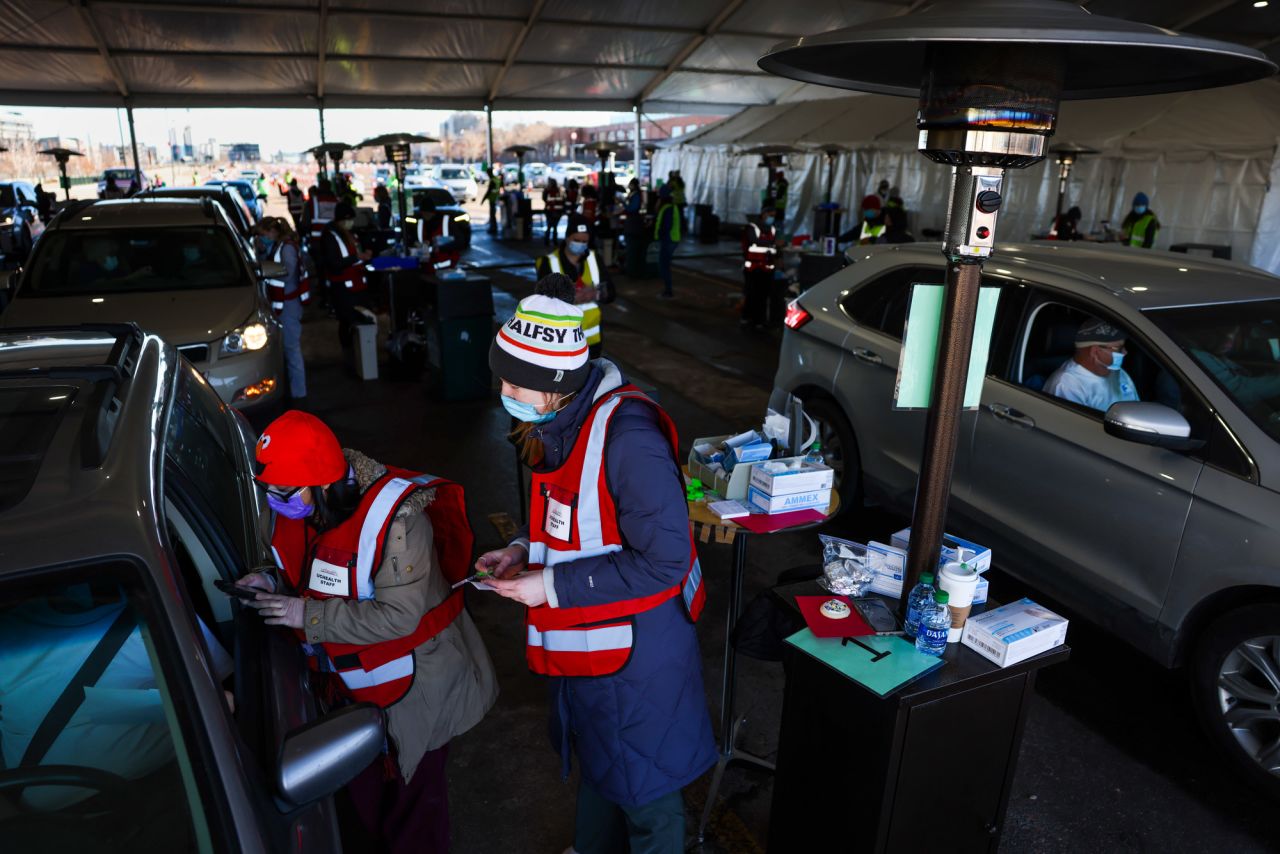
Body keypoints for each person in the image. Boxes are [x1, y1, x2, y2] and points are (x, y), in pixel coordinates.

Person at [479, 276, 714, 854]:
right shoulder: (562, 423)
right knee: (604, 766)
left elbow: (665, 560)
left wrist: (549, 585)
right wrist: (523, 552)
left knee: (646, 793)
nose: (505, 390)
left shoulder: (628, 438)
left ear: (557, 385)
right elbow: (577, 518)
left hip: (635, 659)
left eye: (517, 381)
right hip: (593, 650)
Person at [240, 411, 497, 854]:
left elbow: (398, 617)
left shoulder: (396, 522)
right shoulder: (292, 507)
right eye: (267, 492)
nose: (274, 503)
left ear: (325, 486)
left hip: (416, 692)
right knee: (363, 815)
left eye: (282, 493)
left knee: (414, 820)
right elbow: (298, 566)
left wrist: (306, 616)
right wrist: (268, 580)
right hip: (348, 691)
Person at [536, 223, 610, 358]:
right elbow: (540, 301)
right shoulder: (549, 262)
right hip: (560, 340)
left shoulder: (594, 258)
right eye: (577, 240)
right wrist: (572, 297)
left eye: (584, 241)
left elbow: (610, 293)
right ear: (567, 238)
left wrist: (596, 293)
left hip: (592, 341)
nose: (581, 244)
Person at [258, 217, 309, 402]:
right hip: (284, 304)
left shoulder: (287, 248)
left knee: (292, 349)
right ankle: (295, 391)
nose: (262, 238)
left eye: (264, 235)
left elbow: (287, 273)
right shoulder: (279, 247)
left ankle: (299, 395)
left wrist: (268, 268)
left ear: (273, 232)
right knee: (289, 349)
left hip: (289, 305)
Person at [1044, 318, 1140, 412]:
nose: (1125, 352)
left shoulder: (1118, 372)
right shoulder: (1067, 385)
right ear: (1095, 352)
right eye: (1119, 348)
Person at [319, 201, 373, 347]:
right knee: (347, 321)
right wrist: (357, 257)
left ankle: (359, 351)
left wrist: (364, 254)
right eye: (348, 219)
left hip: (357, 285)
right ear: (341, 220)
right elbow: (334, 263)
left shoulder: (350, 233)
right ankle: (349, 352)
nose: (351, 222)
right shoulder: (330, 236)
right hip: (343, 288)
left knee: (361, 319)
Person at [742, 203, 779, 329]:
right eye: (770, 215)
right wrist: (772, 243)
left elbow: (774, 247)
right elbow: (754, 241)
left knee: (763, 296)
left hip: (767, 269)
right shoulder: (752, 227)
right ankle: (747, 318)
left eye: (774, 216)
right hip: (753, 268)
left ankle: (759, 320)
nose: (772, 218)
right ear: (763, 214)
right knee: (752, 294)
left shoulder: (773, 229)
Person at [653, 183, 681, 300]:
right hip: (670, 239)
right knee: (664, 265)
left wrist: (660, 235)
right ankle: (667, 290)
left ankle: (668, 292)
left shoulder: (667, 208)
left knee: (664, 266)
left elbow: (666, 226)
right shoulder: (670, 206)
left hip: (668, 240)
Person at [303, 177, 339, 254]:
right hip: (335, 240)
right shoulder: (338, 202)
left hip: (317, 240)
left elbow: (305, 223)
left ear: (319, 187)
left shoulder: (312, 201)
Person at [543, 177, 565, 245]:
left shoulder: (547, 190)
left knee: (549, 226)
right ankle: (554, 241)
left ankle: (547, 241)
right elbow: (563, 200)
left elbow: (544, 198)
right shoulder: (559, 191)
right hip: (557, 211)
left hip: (549, 211)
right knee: (555, 227)